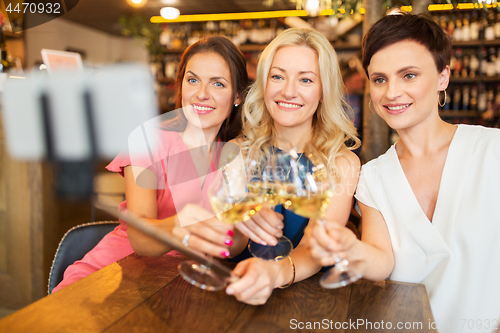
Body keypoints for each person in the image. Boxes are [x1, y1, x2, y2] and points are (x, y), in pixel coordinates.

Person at [306, 12, 500, 332]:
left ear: (442, 77)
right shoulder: (373, 177)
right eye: (380, 79)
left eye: (408, 75)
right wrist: (351, 250)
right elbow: (382, 260)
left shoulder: (492, 151)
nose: (391, 92)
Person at [52, 36, 250, 293]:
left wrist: (236, 229)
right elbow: (141, 239)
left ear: (237, 96)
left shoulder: (237, 155)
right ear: (181, 86)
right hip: (115, 275)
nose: (201, 93)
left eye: (218, 84)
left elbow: (235, 243)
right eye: (193, 80)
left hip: (183, 286)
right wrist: (188, 224)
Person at [225, 28, 361, 305]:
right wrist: (238, 221)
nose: (288, 90)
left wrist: (274, 273)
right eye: (277, 76)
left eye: (306, 80)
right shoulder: (236, 152)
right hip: (235, 292)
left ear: (324, 91)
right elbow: (228, 246)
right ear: (264, 83)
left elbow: (314, 248)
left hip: (308, 303)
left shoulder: (342, 163)